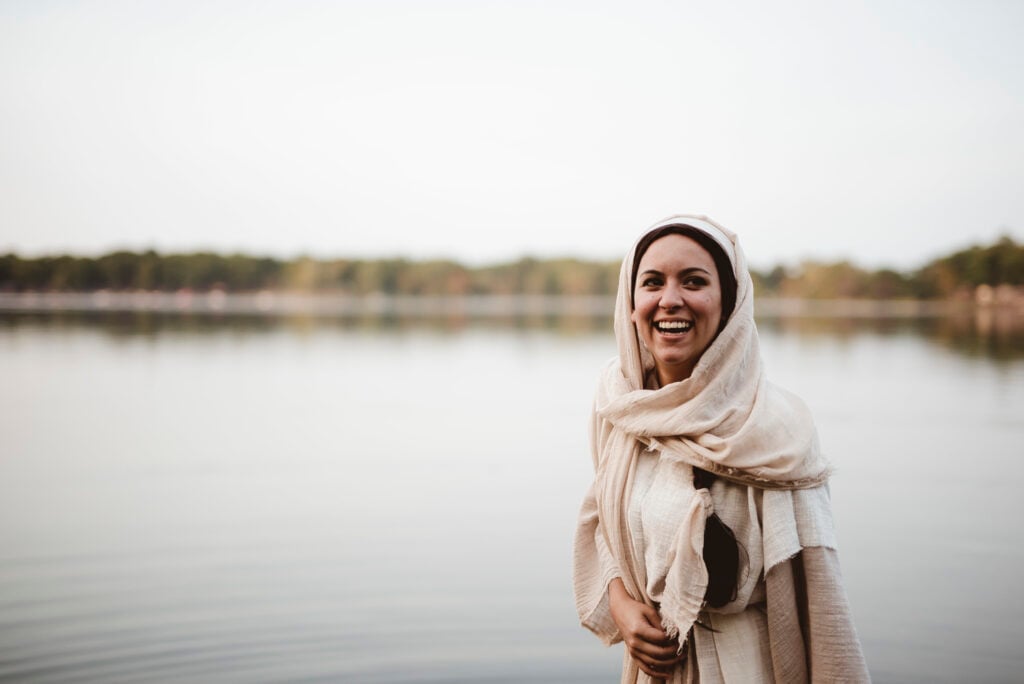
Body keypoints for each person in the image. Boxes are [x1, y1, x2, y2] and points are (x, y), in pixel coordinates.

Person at [573, 215, 869, 683]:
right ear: (631, 302)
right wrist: (623, 605)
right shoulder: (620, 404)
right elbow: (605, 523)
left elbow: (821, 601)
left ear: (730, 302)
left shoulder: (775, 433)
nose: (670, 299)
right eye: (652, 282)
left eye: (694, 281)